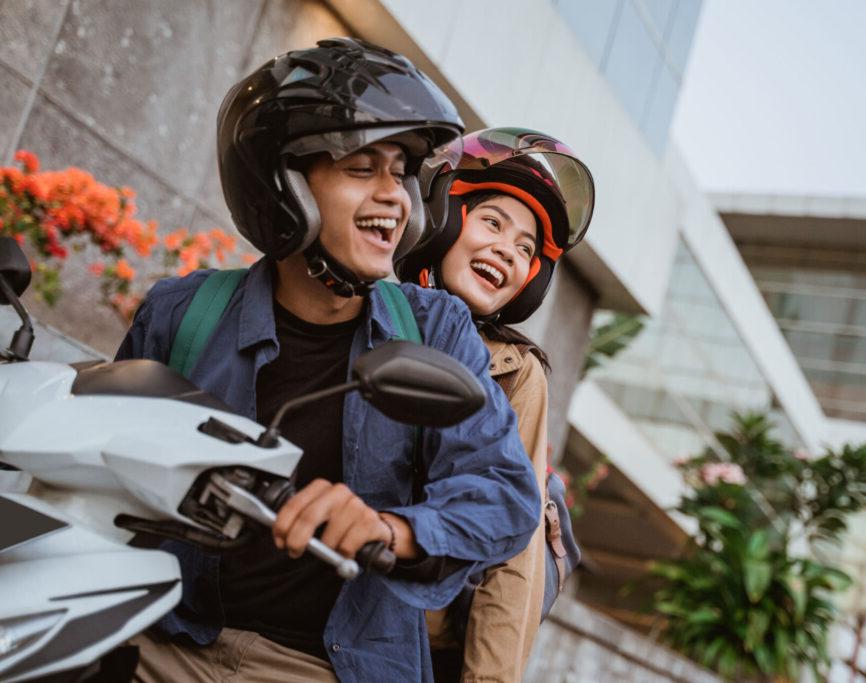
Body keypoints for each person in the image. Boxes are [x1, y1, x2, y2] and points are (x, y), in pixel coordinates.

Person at [115, 39, 540, 683]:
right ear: (284, 184)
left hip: (330, 668)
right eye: (361, 168)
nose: (394, 196)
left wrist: (390, 529)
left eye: (400, 172)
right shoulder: (182, 313)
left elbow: (505, 496)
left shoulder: (434, 330)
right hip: (164, 640)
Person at [398, 127, 594, 682]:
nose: (507, 249)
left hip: (417, 650)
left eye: (526, 248)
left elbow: (518, 548)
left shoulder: (515, 372)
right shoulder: (367, 311)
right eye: (492, 222)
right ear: (446, 218)